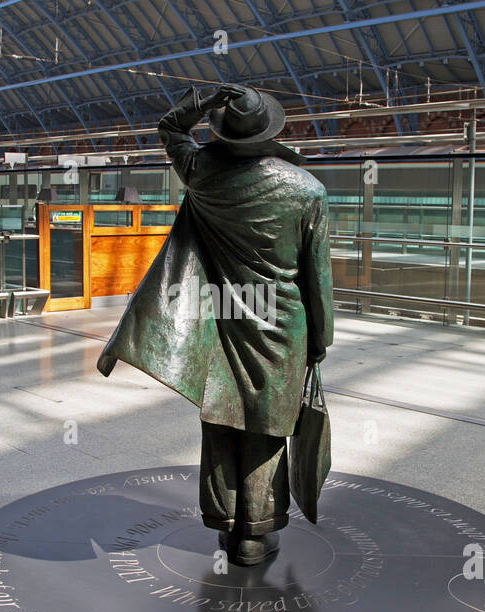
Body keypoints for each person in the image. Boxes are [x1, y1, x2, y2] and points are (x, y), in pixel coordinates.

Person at [98, 84, 334, 566]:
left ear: (225, 134)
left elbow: (170, 127)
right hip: (279, 321)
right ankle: (257, 532)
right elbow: (317, 276)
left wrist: (200, 101)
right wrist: (320, 338)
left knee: (221, 415)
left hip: (222, 310)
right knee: (267, 425)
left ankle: (226, 522)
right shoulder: (308, 190)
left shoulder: (203, 174)